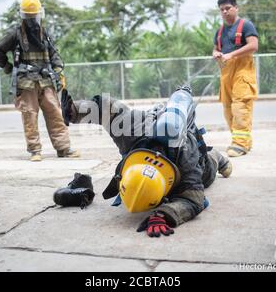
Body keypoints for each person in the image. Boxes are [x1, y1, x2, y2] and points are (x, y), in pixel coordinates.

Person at [61, 85, 233, 238]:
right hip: (153, 123)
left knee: (208, 170)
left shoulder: (186, 157)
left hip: (198, 159)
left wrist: (165, 213)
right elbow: (106, 107)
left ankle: (218, 157)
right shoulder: (131, 131)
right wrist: (74, 110)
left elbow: (195, 199)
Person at [0, 0, 79, 161]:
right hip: (26, 83)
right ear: (24, 17)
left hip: (46, 81)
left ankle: (63, 148)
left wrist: (58, 70)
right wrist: (8, 68)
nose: (33, 20)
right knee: (30, 116)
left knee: (55, 114)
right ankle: (35, 151)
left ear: (40, 15)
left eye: (35, 16)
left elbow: (54, 53)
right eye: (30, 17)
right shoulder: (16, 34)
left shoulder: (44, 33)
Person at [212, 0, 259, 157]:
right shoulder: (220, 32)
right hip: (226, 72)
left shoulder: (246, 25)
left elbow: (253, 46)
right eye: (222, 10)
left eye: (228, 8)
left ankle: (240, 144)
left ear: (236, 8)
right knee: (228, 107)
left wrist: (231, 55)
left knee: (240, 106)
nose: (225, 12)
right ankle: (242, 140)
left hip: (242, 70)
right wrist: (217, 54)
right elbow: (215, 49)